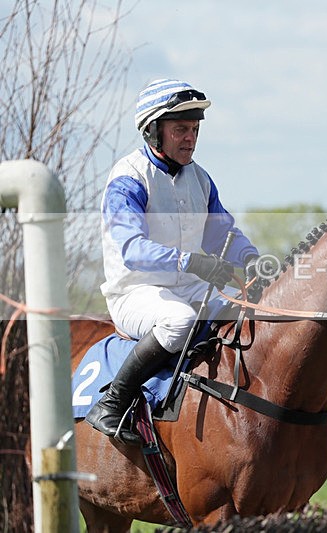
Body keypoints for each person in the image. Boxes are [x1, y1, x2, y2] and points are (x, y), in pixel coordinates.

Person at [85, 79, 263, 445]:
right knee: (179, 320)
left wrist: (252, 258)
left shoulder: (200, 178)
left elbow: (221, 233)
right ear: (153, 131)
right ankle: (112, 403)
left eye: (195, 129)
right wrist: (193, 263)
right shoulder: (128, 179)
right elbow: (132, 249)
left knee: (243, 310)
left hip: (188, 287)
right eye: (180, 129)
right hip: (135, 292)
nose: (190, 138)